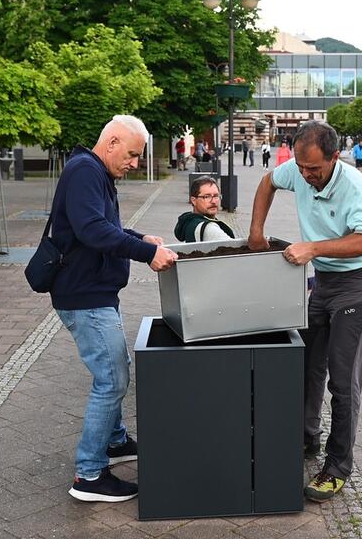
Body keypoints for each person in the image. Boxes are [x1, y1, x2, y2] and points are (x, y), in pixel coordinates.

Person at [248, 120, 362, 503]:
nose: (306, 177)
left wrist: (314, 248)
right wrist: (257, 231)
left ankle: (337, 467)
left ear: (334, 158)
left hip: (355, 285)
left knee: (343, 380)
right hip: (322, 284)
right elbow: (268, 182)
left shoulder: (353, 185)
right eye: (302, 169)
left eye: (314, 170)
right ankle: (306, 439)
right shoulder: (298, 170)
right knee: (306, 365)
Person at [50, 115, 178, 503]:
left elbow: (101, 226)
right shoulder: (85, 172)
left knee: (114, 367)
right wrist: (146, 252)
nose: (136, 164)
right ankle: (89, 475)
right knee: (112, 379)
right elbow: (92, 231)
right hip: (86, 297)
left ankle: (117, 440)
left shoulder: (93, 172)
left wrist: (140, 237)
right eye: (133, 155)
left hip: (97, 293)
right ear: (112, 142)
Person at [174, 176, 235, 242]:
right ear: (193, 200)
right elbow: (235, 250)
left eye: (216, 196)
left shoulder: (189, 221)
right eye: (207, 197)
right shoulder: (209, 228)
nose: (213, 201)